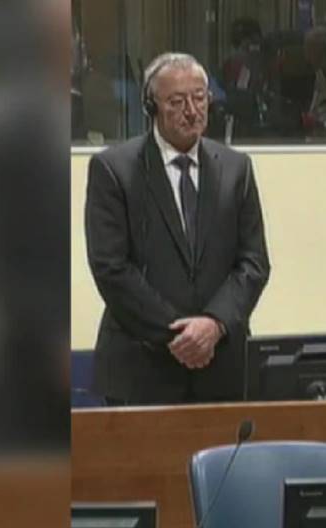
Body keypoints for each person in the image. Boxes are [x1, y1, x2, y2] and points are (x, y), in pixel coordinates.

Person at [85, 52, 271, 405]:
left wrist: (213, 325)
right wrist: (181, 335)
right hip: (142, 367)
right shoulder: (114, 170)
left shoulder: (237, 169)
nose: (192, 110)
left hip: (222, 366)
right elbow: (111, 267)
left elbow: (254, 262)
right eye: (177, 101)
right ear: (150, 106)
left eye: (199, 98)